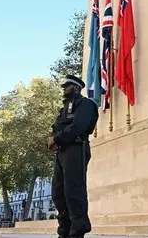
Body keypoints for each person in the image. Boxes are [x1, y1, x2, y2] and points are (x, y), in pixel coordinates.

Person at [48, 75, 99, 238]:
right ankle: (65, 230)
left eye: (67, 86)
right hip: (62, 151)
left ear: (76, 88)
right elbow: (57, 127)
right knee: (58, 192)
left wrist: (56, 138)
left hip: (77, 148)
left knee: (73, 190)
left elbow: (79, 125)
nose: (64, 89)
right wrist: (53, 140)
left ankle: (78, 230)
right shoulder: (64, 108)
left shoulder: (86, 104)